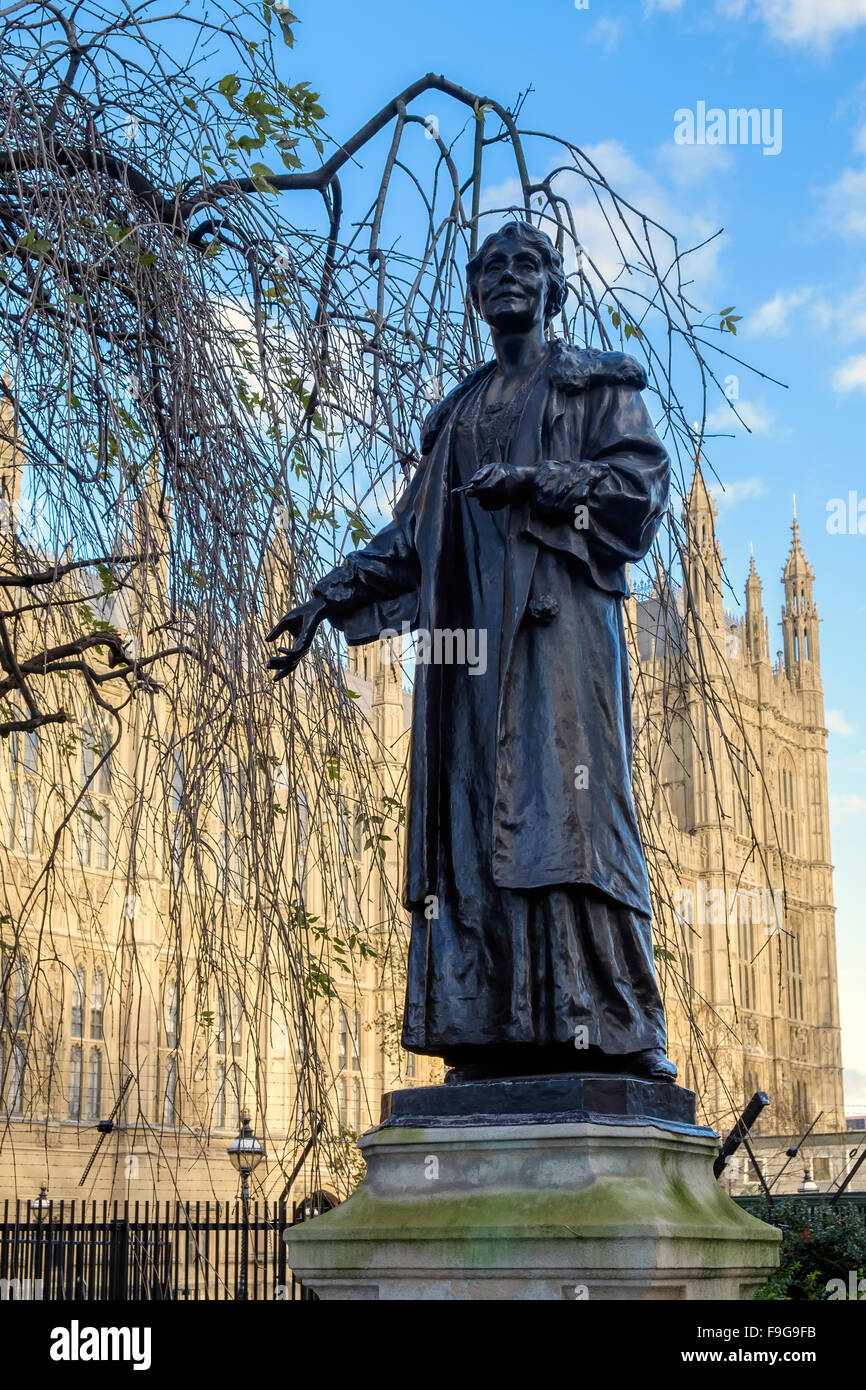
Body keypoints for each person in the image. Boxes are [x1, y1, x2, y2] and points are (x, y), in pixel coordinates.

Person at [267, 220, 676, 1082]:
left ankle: (611, 1025)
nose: (508, 279)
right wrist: (326, 595)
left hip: (559, 644)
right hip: (468, 660)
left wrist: (537, 483)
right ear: (474, 295)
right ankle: (494, 1030)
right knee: (474, 832)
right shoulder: (458, 416)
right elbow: (411, 537)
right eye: (491, 269)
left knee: (569, 825)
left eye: (526, 265)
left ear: (554, 287)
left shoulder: (595, 388)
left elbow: (638, 489)